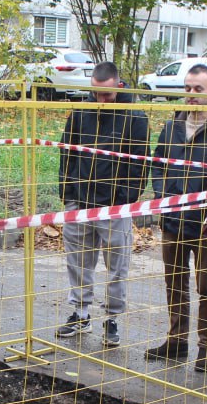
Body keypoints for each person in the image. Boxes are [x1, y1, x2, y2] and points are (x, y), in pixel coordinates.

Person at [146, 64, 207, 372]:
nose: (191, 95)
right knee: (174, 283)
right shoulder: (173, 126)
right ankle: (176, 341)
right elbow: (159, 164)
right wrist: (164, 197)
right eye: (187, 89)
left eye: (197, 89)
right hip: (174, 221)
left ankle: (206, 347)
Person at [55, 61, 150, 347]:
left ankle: (112, 318)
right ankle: (81, 312)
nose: (101, 100)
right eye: (96, 93)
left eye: (107, 94)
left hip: (115, 206)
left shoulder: (135, 117)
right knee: (78, 261)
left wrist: (125, 199)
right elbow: (66, 153)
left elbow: (140, 163)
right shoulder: (81, 113)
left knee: (116, 265)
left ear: (119, 86)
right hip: (80, 201)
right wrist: (68, 194)